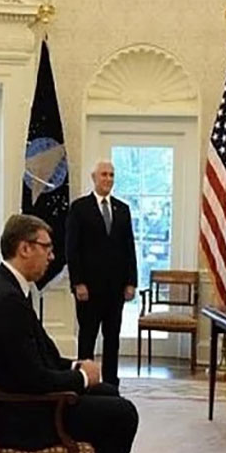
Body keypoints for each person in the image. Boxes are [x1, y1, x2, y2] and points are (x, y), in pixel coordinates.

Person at [0, 214, 146, 453]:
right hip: (20, 418)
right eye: (46, 247)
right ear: (24, 248)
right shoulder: (6, 299)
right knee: (122, 414)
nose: (52, 256)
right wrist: (81, 379)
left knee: (107, 393)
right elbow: (34, 378)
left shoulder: (8, 288)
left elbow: (41, 358)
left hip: (20, 403)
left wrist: (77, 367)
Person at [65, 159, 138, 387]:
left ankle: (111, 383)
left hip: (116, 288)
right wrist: (78, 282)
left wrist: (131, 282)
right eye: (104, 174)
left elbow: (129, 247)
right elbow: (71, 249)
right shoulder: (79, 208)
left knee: (112, 337)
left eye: (111, 175)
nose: (108, 179)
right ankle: (85, 381)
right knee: (87, 337)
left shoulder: (122, 209)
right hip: (88, 288)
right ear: (94, 178)